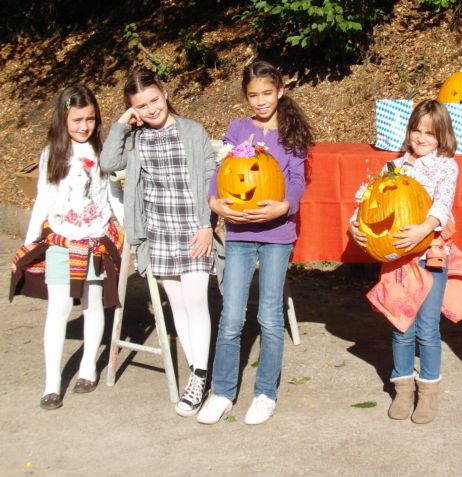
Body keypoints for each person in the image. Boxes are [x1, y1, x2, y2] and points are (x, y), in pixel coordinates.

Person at [198, 60, 313, 426]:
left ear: (280, 91)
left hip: (278, 235)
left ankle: (265, 393)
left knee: (269, 315)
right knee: (231, 317)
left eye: (267, 93)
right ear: (245, 98)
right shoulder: (238, 129)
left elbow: (296, 180)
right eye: (253, 95)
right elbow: (222, 174)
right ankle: (222, 391)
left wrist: (285, 205)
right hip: (240, 234)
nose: (261, 101)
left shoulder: (292, 132)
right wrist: (214, 203)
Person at [101, 70, 216, 418]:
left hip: (193, 229)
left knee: (197, 300)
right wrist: (122, 124)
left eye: (154, 100)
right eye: (140, 105)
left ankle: (199, 374)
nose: (150, 109)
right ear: (132, 110)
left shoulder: (192, 132)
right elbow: (108, 163)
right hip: (159, 232)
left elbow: (211, 179)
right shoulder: (135, 141)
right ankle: (198, 372)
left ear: (165, 93)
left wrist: (207, 226)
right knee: (177, 304)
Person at [10, 84, 124, 410]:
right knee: (58, 307)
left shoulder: (104, 152)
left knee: (92, 301)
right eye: (76, 120)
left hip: (95, 240)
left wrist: (130, 227)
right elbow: (43, 200)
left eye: (89, 119)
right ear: (64, 120)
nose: (84, 126)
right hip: (61, 241)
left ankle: (88, 367)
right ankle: (51, 382)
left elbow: (113, 196)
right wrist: (29, 242)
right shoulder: (52, 153)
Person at [350, 100, 459, 424]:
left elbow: (443, 201)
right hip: (397, 262)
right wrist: (354, 224)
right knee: (401, 327)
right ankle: (402, 389)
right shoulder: (393, 167)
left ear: (442, 136)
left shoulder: (445, 165)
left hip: (430, 259)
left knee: (427, 329)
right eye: (417, 130)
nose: (422, 138)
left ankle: (428, 392)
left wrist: (425, 227)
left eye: (430, 132)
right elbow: (371, 201)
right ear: (408, 130)